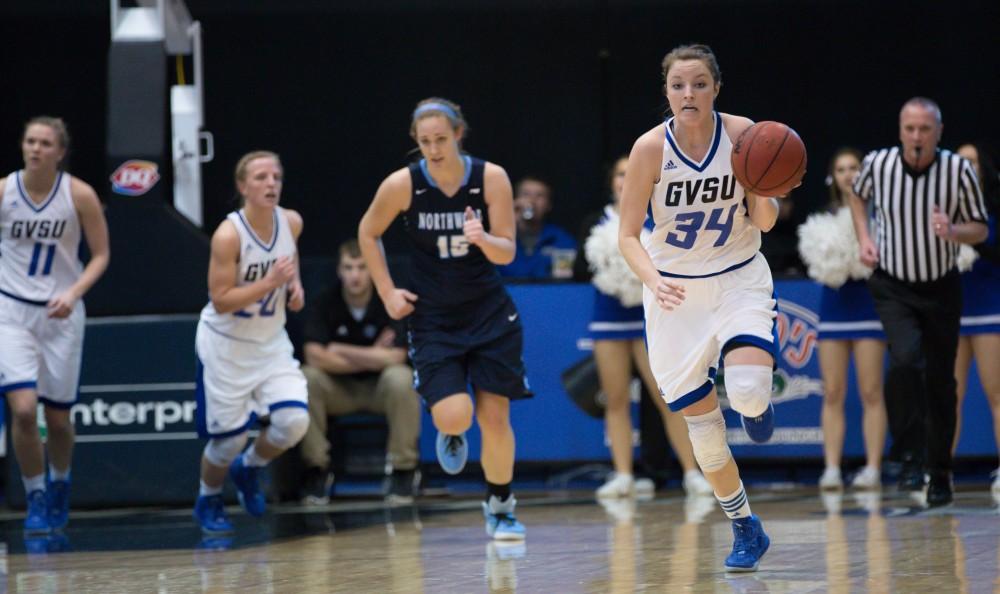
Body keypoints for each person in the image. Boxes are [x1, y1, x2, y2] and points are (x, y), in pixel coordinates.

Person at [618, 44, 779, 572]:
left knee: (750, 395)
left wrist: (760, 186)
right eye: (678, 85)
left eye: (700, 84)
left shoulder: (744, 134)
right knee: (703, 427)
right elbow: (627, 236)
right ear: (666, 92)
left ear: (716, 88)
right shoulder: (648, 149)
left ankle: (756, 402)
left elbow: (769, 222)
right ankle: (745, 527)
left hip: (737, 276)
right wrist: (652, 278)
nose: (689, 94)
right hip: (676, 291)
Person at [358, 97, 531, 541]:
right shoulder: (404, 185)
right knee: (456, 415)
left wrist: (483, 237)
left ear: (458, 134)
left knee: (495, 417)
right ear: (416, 142)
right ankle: (449, 431)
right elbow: (368, 231)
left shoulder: (490, 178)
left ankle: (500, 506)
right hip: (433, 318)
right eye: (424, 141)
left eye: (441, 139)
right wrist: (386, 291)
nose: (433, 149)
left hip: (489, 312)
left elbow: (507, 251)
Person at [847, 98, 988, 507]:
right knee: (906, 360)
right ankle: (908, 454)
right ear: (900, 130)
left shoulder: (958, 170)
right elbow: (857, 198)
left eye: (925, 129)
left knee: (942, 382)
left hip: (942, 284)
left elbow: (979, 228)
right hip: (893, 283)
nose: (917, 137)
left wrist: (954, 231)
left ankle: (940, 470)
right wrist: (865, 238)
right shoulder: (878, 164)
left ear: (938, 133)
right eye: (910, 128)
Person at [0, 116, 110, 533]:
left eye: (45, 143)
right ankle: (35, 495)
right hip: (11, 311)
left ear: (59, 152)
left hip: (61, 312)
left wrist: (74, 291)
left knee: (59, 420)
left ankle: (61, 482)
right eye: (30, 141)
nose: (36, 149)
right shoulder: (5, 191)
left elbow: (100, 255)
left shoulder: (78, 194)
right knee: (24, 412)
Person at [192, 151, 311, 534]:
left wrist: (294, 286)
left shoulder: (291, 222)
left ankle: (251, 467)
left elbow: (288, 264)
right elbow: (221, 299)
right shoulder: (229, 235)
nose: (271, 183)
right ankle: (208, 496)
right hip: (226, 344)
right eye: (260, 177)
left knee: (294, 422)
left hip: (270, 342)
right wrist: (270, 283)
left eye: (275, 176)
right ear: (243, 186)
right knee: (227, 443)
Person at [582, 156, 712, 498]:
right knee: (616, 398)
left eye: (631, 173)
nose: (625, 179)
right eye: (619, 174)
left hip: (650, 315)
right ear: (612, 181)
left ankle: (691, 473)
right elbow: (589, 269)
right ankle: (623, 475)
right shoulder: (595, 222)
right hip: (608, 316)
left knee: (667, 395)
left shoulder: (660, 217)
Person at [298, 239, 421, 505]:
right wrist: (374, 355)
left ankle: (403, 470)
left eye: (362, 267)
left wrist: (340, 349)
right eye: (349, 267)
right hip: (340, 389)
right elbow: (314, 356)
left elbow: (398, 357)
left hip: (379, 389)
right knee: (307, 378)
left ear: (373, 270)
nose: (355, 275)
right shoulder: (325, 302)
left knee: (401, 377)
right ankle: (317, 470)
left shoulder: (389, 302)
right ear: (339, 271)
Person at [813, 148, 887, 491]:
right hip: (834, 309)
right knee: (832, 391)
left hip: (869, 309)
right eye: (841, 169)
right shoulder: (823, 218)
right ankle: (831, 467)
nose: (848, 174)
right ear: (833, 177)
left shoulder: (880, 217)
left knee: (871, 391)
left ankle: (872, 467)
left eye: (854, 168)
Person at [950, 142, 1000, 493]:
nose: (966, 167)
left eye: (973, 161)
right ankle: (940, 472)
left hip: (988, 306)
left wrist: (971, 238)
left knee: (996, 392)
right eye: (960, 161)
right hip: (951, 308)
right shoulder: (939, 208)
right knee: (948, 394)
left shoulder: (992, 207)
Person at [496, 176, 577, 279]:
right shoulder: (499, 237)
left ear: (548, 205)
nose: (532, 201)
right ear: (515, 200)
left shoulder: (561, 240)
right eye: (526, 194)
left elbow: (564, 280)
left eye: (539, 196)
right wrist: (508, 222)